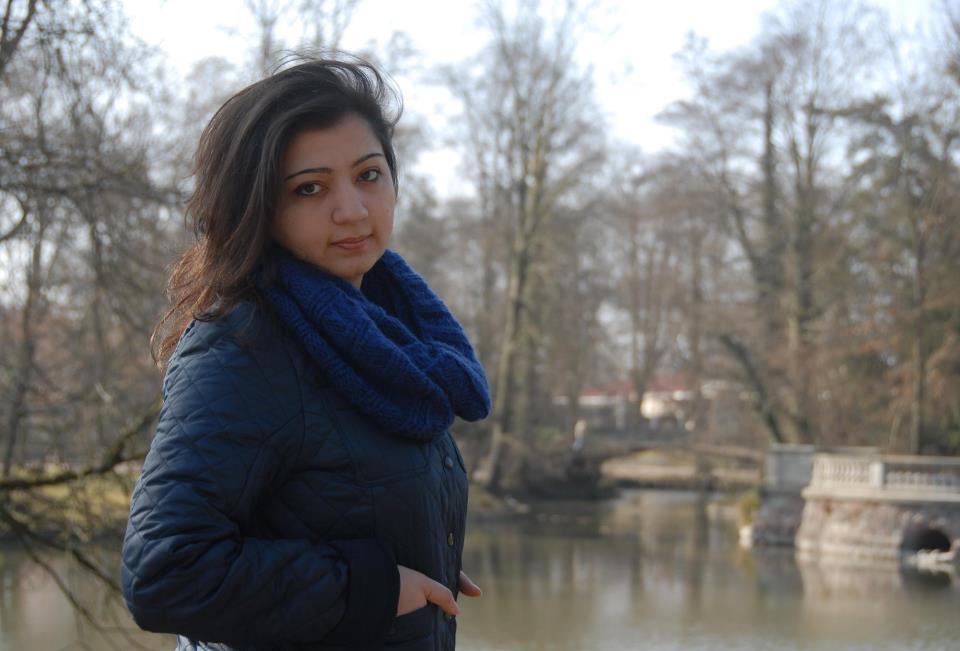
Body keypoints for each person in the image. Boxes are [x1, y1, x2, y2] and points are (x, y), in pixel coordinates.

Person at [120, 55, 491, 651]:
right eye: (309, 188)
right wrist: (375, 589)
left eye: (369, 175)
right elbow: (165, 571)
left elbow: (335, 494)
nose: (352, 209)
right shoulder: (244, 344)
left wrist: (418, 546)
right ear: (258, 208)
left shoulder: (393, 335)